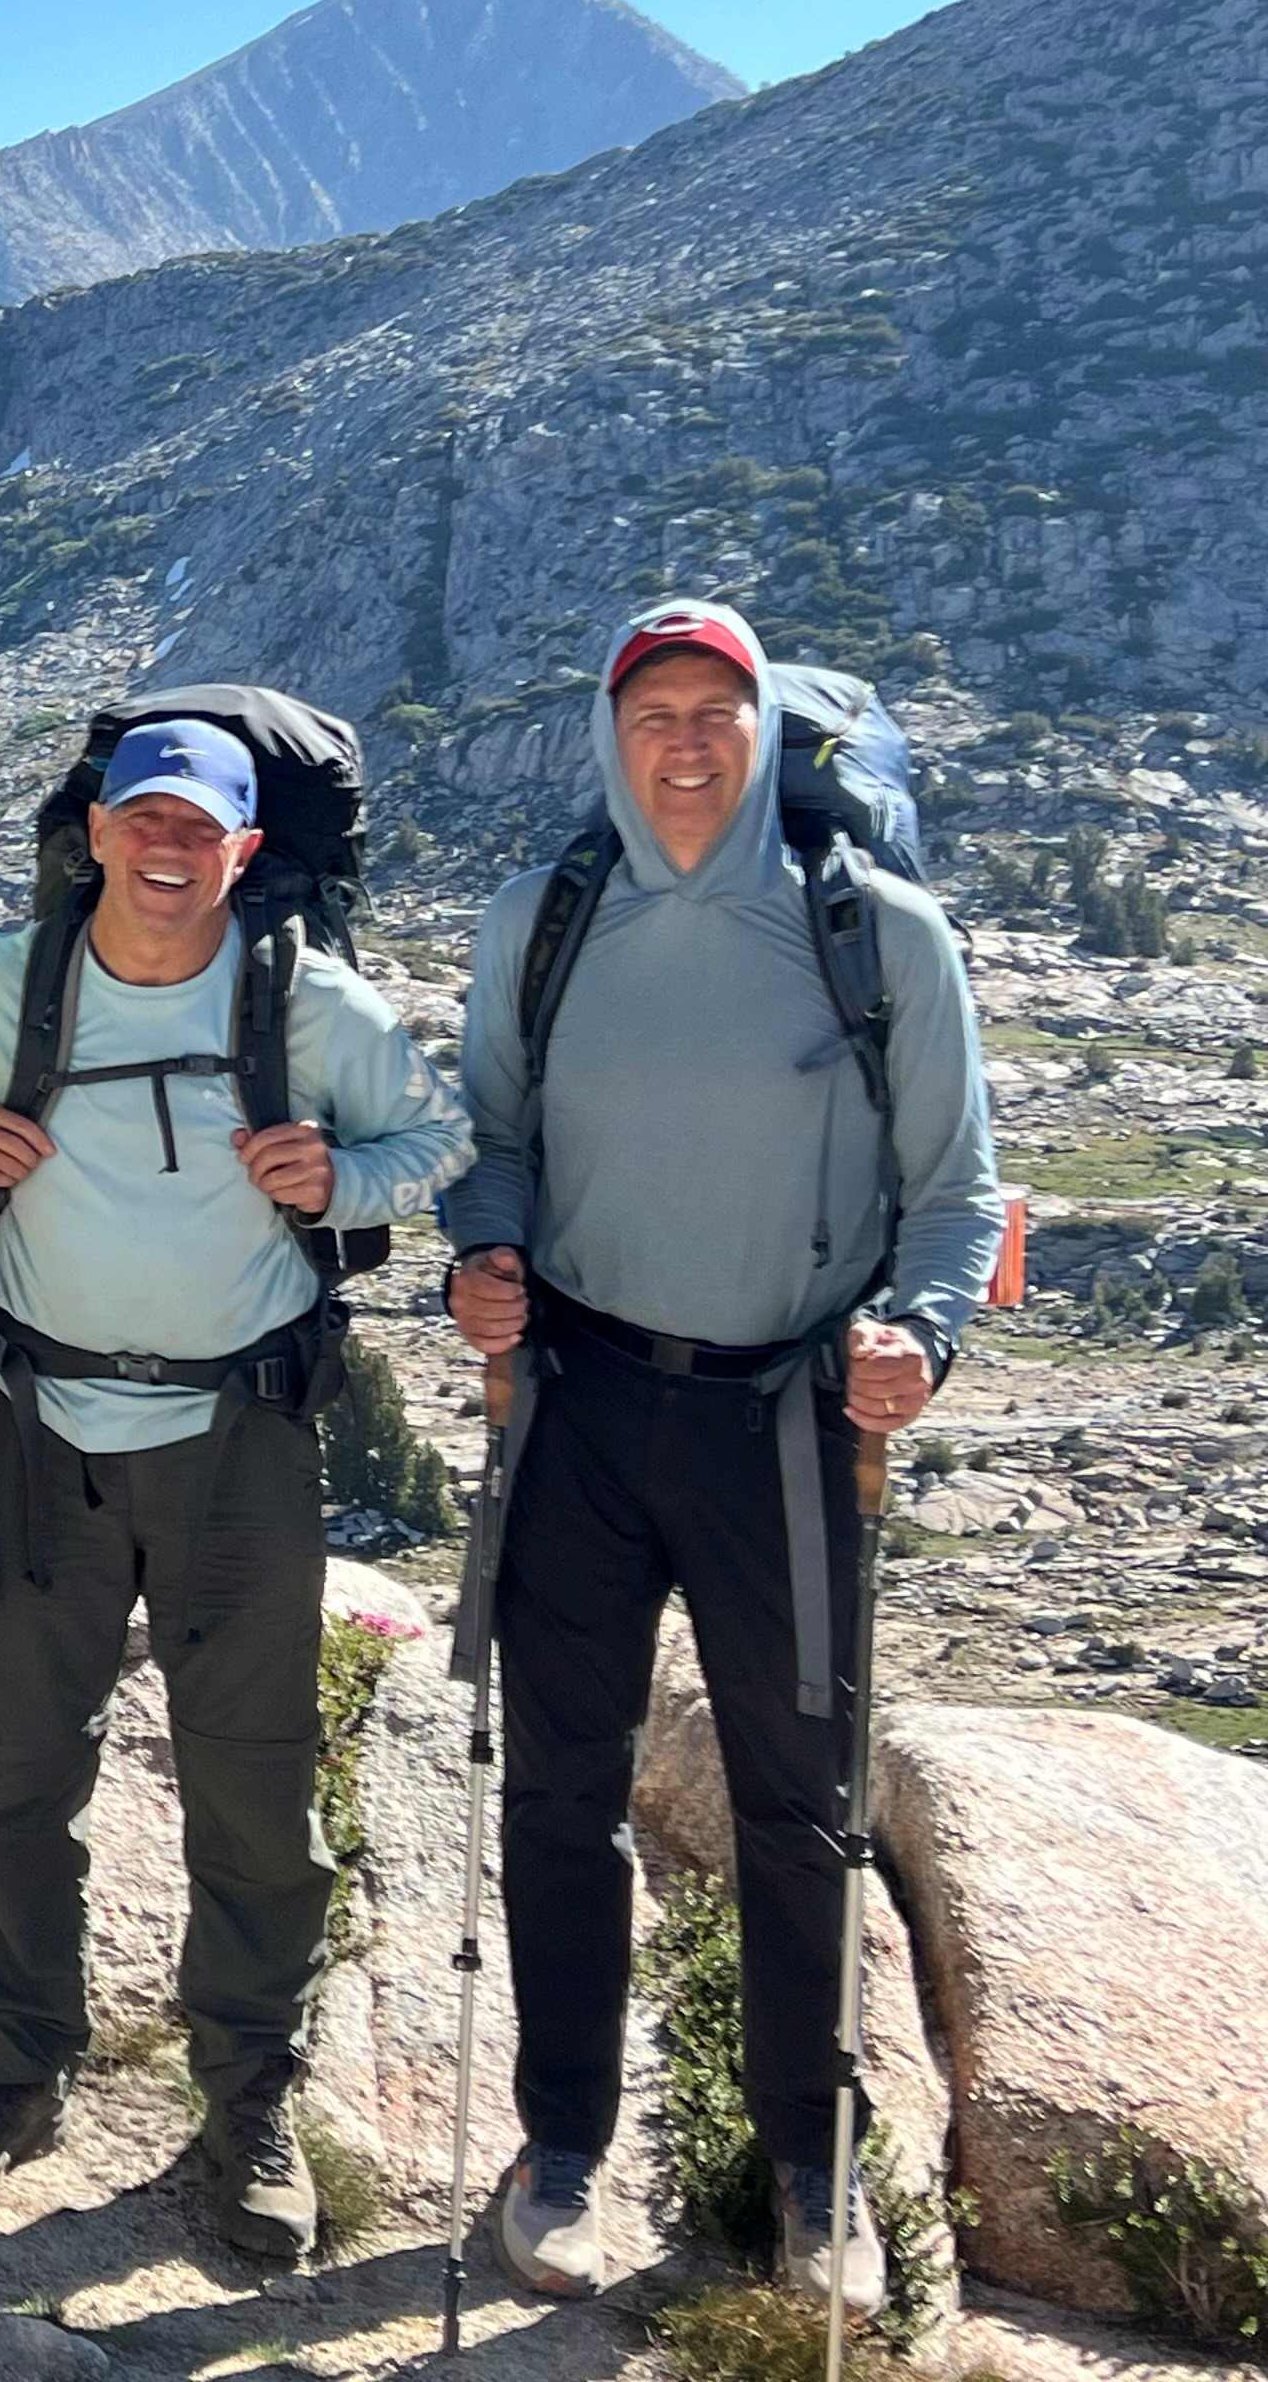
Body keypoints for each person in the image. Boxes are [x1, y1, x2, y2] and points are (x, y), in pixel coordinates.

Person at [445, 600, 999, 2310]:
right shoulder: (544, 919)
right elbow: (494, 1141)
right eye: (653, 714)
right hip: (584, 1402)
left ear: (763, 730)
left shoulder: (877, 932)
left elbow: (957, 1196)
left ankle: (815, 2177)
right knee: (561, 1792)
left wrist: (923, 1336)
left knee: (801, 1809)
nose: (683, 745)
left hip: (789, 1419)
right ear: (610, 738)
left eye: (715, 712)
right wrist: (485, 1254)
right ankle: (560, 2150)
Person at [0, 717, 472, 2261]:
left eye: (200, 828)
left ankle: (249, 2107)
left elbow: (437, 1136)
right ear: (96, 832)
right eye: (143, 819)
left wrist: (344, 1180)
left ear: (244, 851)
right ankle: (14, 2072)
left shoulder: (306, 1002)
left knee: (253, 1793)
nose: (167, 849)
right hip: (41, 1428)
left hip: (240, 1440)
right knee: (13, 1774)